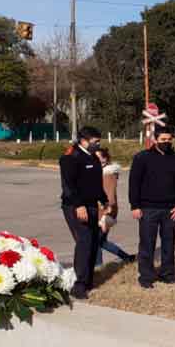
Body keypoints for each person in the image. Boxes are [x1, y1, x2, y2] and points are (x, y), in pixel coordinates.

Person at [128, 126, 175, 289]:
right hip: (148, 209)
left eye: (169, 139)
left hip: (171, 209)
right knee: (147, 244)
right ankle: (146, 277)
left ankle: (167, 274)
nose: (166, 142)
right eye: (163, 140)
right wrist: (135, 206)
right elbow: (134, 183)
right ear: (155, 140)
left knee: (169, 243)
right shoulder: (142, 158)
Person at [59, 126, 109, 299]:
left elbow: (96, 183)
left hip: (92, 206)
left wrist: (104, 200)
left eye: (98, 142)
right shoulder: (70, 158)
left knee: (94, 241)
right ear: (84, 140)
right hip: (75, 206)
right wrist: (79, 205)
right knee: (84, 241)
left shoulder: (93, 158)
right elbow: (68, 186)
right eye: (95, 142)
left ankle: (88, 281)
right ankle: (79, 286)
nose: (98, 145)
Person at [95, 148, 135, 265]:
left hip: (104, 212)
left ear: (105, 159)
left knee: (96, 242)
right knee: (101, 241)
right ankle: (127, 257)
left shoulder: (107, 174)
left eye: (99, 157)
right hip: (100, 211)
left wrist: (105, 217)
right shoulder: (99, 172)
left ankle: (99, 268)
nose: (96, 159)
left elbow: (110, 197)